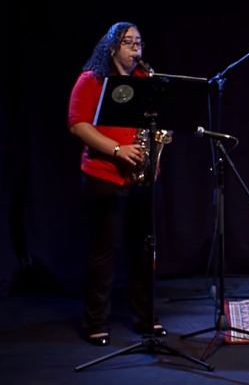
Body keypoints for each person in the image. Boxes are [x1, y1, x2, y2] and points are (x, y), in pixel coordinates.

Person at [67, 22, 167, 346]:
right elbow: (77, 124)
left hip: (141, 176)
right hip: (104, 174)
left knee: (145, 250)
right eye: (129, 43)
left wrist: (154, 155)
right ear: (112, 48)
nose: (136, 49)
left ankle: (146, 317)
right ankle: (96, 322)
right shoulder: (91, 80)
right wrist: (117, 149)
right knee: (105, 251)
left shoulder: (145, 80)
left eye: (139, 43)